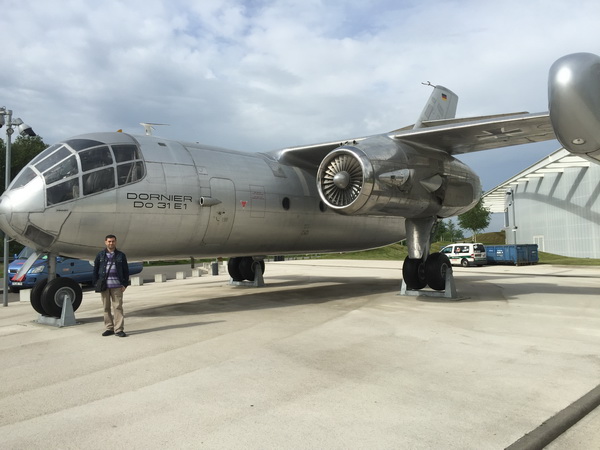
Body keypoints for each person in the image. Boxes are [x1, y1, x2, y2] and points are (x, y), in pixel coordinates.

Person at [93, 234, 130, 337]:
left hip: (117, 286)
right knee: (106, 308)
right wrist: (96, 283)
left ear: (115, 242)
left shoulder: (121, 255)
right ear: (105, 242)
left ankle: (119, 329)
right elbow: (95, 270)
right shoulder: (100, 255)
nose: (111, 243)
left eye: (113, 241)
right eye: (109, 241)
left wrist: (125, 284)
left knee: (118, 307)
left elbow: (126, 271)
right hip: (104, 286)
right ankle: (109, 328)